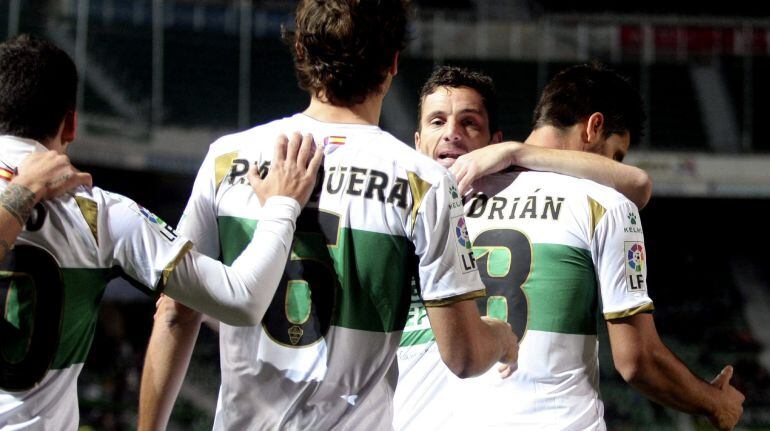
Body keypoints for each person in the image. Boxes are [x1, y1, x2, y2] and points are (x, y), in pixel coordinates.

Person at [138, 1, 518, 430]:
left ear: (300, 50)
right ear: (393, 62)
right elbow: (464, 357)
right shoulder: (423, 181)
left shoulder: (227, 158)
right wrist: (502, 337)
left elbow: (175, 312)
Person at [396, 64, 744, 430]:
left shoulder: (450, 196)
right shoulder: (605, 202)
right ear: (594, 127)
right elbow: (637, 360)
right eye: (616, 154)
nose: (614, 168)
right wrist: (715, 403)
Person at [0, 34, 322, 430]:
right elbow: (241, 300)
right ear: (71, 124)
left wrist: (19, 198)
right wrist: (281, 206)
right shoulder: (102, 213)